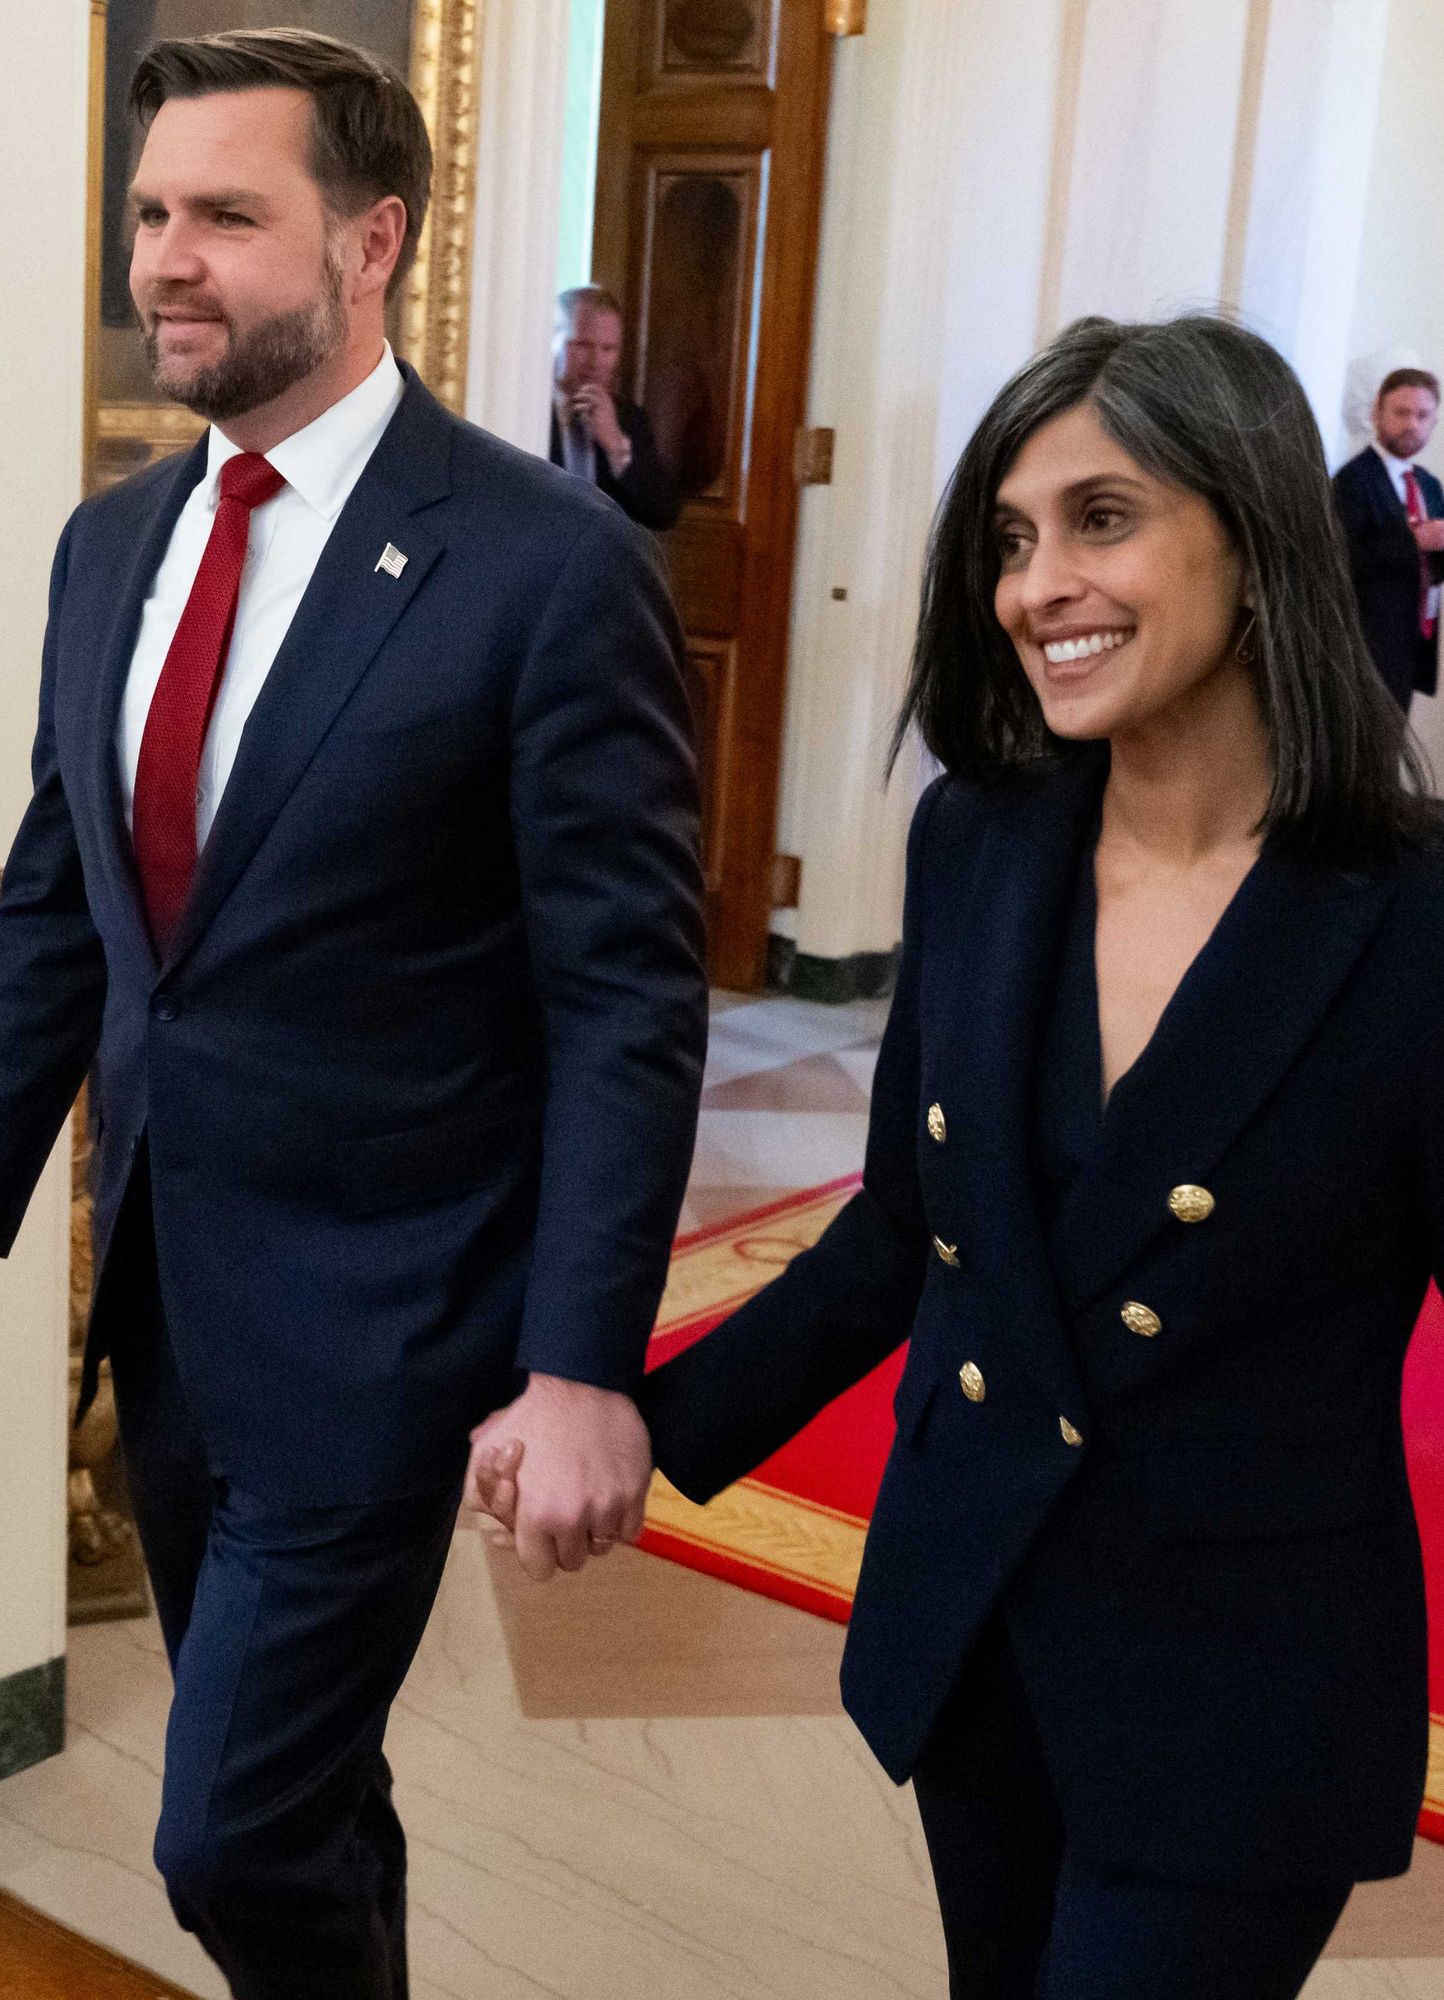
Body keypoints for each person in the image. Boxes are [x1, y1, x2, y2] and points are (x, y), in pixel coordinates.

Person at [478, 314, 1444, 1999]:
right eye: (1009, 539)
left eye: (1101, 518)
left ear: (1256, 522)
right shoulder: (982, 836)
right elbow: (907, 1236)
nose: (1033, 586)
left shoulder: (1412, 914)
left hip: (1240, 1677)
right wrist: (646, 1416)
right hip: (979, 1616)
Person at [0, 29, 705, 2000]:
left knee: (225, 1829)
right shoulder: (113, 546)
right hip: (175, 1303)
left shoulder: (544, 571)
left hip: (391, 1317)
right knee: (299, 1788)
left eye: (223, 215)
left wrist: (581, 1356)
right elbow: (61, 906)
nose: (164, 259)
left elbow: (622, 992)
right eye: (146, 214)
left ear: (369, 242)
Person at [1333, 365, 1444, 710]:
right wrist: (1414, 543)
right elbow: (1340, 560)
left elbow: (1434, 565)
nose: (1412, 424)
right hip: (1362, 653)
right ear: (1376, 414)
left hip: (1411, 649)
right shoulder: (1352, 481)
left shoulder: (1429, 485)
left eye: (1423, 415)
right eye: (1401, 412)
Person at [549, 285, 683, 531]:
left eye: (609, 349)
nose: (596, 361)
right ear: (551, 340)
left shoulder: (629, 417)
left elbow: (663, 514)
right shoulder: (526, 409)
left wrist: (616, 447)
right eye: (582, 345)